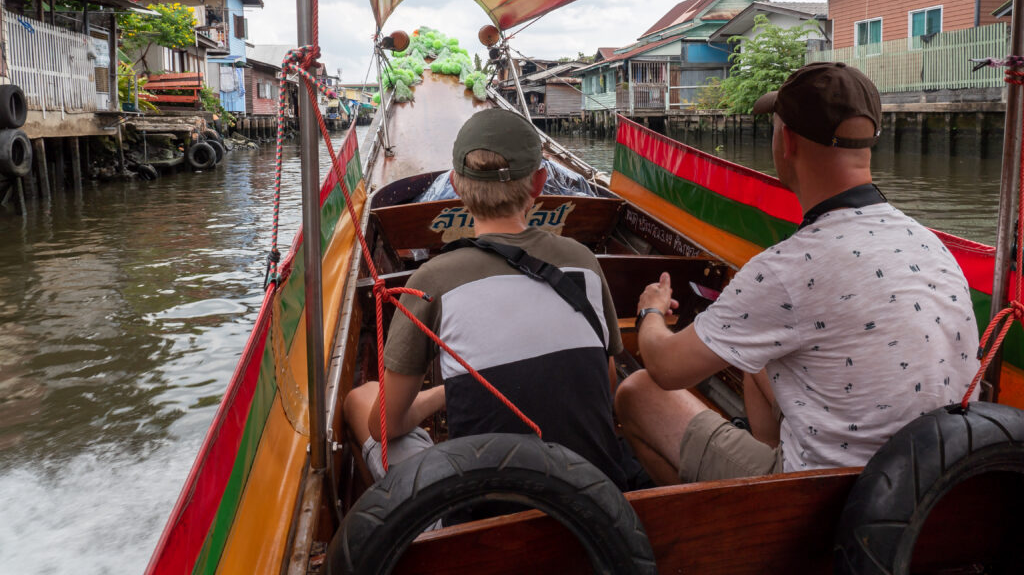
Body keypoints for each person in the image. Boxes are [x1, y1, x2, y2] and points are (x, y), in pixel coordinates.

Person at [615, 61, 980, 485]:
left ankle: (755, 523)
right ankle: (764, 483)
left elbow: (665, 368)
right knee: (756, 363)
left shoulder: (787, 269)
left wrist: (651, 313)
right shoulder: (930, 244)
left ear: (786, 140)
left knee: (637, 393)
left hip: (835, 499)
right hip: (934, 480)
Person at [345, 108, 631, 488]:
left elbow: (387, 426)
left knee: (362, 400)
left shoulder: (431, 279)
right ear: (540, 183)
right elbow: (605, 379)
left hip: (479, 517)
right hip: (593, 498)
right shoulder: (583, 262)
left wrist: (447, 393)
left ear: (456, 186)